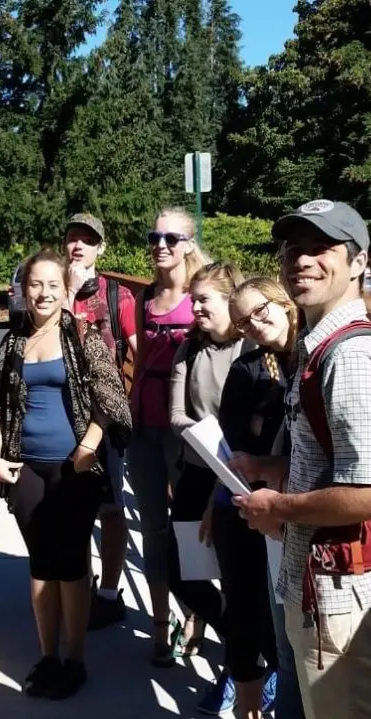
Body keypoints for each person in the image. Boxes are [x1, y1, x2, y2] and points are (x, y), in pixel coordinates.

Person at [234, 200, 371, 719]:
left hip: (345, 597)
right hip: (326, 588)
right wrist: (271, 469)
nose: (299, 260)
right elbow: (335, 464)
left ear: (359, 261)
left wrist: (277, 509)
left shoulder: (353, 355)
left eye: (320, 248)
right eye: (290, 248)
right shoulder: (320, 343)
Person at [0, 250, 132, 699]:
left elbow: (112, 398)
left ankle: (75, 658)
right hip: (24, 463)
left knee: (70, 563)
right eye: (35, 285)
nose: (44, 293)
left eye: (53, 285)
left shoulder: (83, 337)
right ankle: (47, 655)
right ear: (23, 290)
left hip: (75, 466)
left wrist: (88, 447)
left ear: (66, 290)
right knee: (42, 561)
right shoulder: (13, 341)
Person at [218, 276, 311, 719]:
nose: (257, 322)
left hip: (316, 530)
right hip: (278, 520)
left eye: (263, 310)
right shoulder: (262, 365)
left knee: (307, 662)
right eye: (247, 320)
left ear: (283, 302)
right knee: (291, 657)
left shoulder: (317, 355)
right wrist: (261, 463)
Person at [164, 262, 250, 713]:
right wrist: (207, 437)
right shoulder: (189, 348)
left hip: (243, 480)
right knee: (184, 573)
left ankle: (241, 671)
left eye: (203, 300)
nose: (193, 307)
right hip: (199, 471)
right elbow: (176, 413)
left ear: (229, 300)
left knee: (239, 580)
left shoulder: (254, 347)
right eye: (192, 299)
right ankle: (240, 643)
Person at [129, 207, 208, 666]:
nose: (161, 245)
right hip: (145, 425)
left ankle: (195, 613)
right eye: (154, 235)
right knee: (155, 527)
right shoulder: (143, 299)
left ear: (189, 244)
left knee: (190, 526)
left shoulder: (200, 299)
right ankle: (161, 624)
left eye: (172, 238)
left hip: (187, 428)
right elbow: (139, 362)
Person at [61, 213, 138, 631]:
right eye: (73, 239)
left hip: (104, 420)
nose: (79, 246)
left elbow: (137, 354)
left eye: (88, 241)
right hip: (60, 415)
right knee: (70, 508)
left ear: (100, 248)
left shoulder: (118, 296)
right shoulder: (52, 290)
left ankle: (108, 593)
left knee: (111, 507)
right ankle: (75, 585)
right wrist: (67, 293)